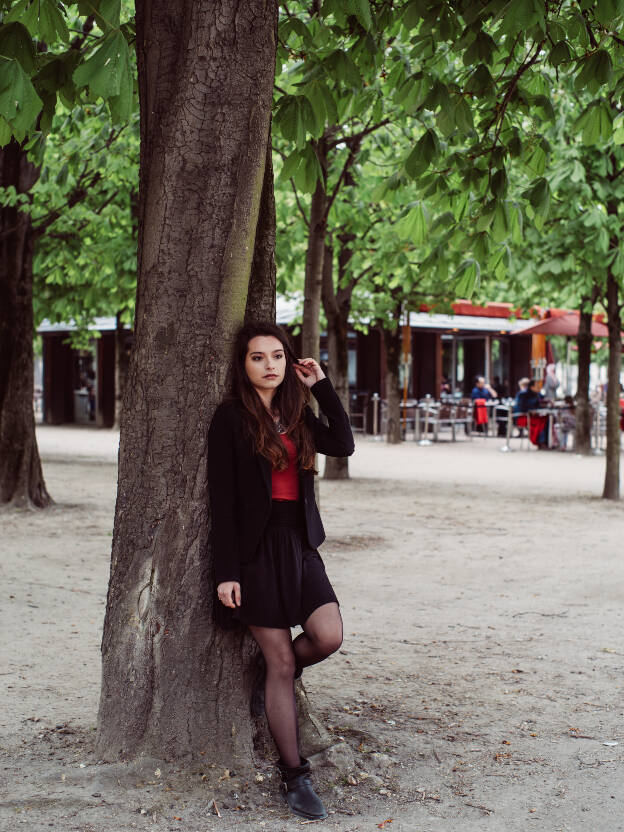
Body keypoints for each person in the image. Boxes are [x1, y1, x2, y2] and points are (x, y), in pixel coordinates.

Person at [208, 321, 354, 822]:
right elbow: (222, 503)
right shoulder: (230, 419)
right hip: (254, 552)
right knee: (284, 667)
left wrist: (323, 386)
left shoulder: (298, 412)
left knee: (328, 635)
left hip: (301, 544)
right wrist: (227, 572)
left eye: (276, 356)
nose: (268, 365)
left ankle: (270, 678)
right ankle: (295, 777)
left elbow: (344, 445)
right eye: (256, 357)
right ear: (243, 366)